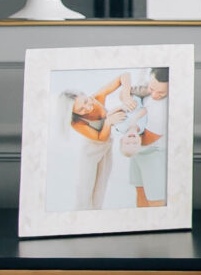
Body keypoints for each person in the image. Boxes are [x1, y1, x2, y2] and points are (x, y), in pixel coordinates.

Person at [65, 77, 123, 210]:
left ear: (86, 95)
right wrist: (108, 122)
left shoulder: (98, 97)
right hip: (90, 152)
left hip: (106, 148)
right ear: (74, 113)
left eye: (85, 101)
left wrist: (125, 92)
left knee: (101, 187)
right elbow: (100, 138)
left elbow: (122, 77)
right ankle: (80, 220)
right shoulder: (76, 123)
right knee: (84, 189)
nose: (87, 107)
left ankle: (96, 218)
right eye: (80, 110)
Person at [123, 72, 170, 209]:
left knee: (156, 200)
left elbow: (146, 140)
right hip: (138, 153)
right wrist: (126, 96)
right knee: (141, 192)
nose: (154, 95)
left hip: (153, 154)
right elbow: (126, 82)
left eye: (161, 92)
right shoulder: (150, 83)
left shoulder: (161, 110)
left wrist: (127, 133)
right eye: (152, 89)